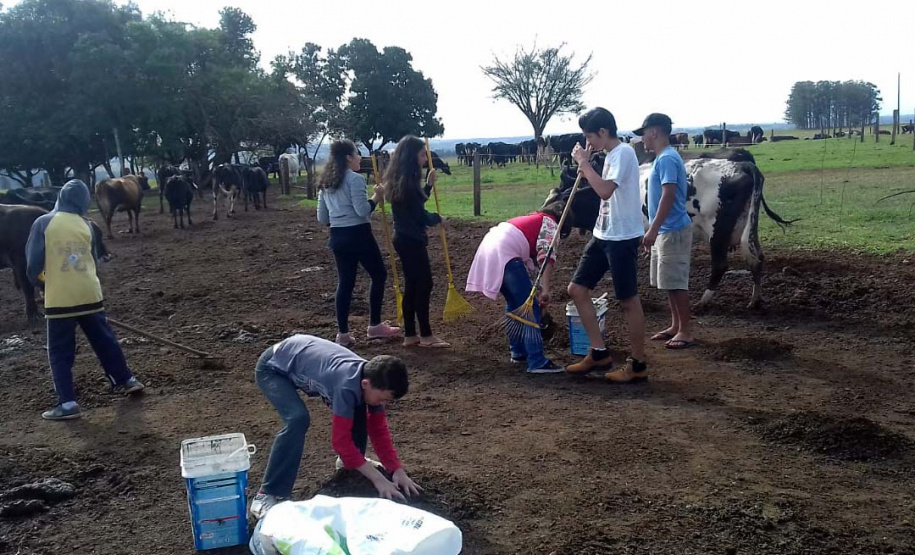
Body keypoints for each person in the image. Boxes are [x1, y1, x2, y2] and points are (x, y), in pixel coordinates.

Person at [249, 335, 421, 519]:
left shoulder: (374, 377)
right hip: (274, 366)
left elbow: (378, 429)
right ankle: (268, 494)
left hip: (300, 357)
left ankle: (351, 463)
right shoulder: (347, 385)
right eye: (382, 399)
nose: (383, 404)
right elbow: (341, 442)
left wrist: (396, 469)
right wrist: (378, 479)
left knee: (359, 405)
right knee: (297, 419)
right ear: (366, 383)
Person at [25, 179, 144, 421]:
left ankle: (67, 404)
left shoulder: (44, 223)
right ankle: (127, 379)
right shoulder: (87, 225)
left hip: (60, 299)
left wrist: (43, 284)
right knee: (105, 340)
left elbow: (32, 266)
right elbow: (93, 259)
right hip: (90, 293)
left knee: (59, 351)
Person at [564, 108, 649, 382]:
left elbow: (604, 190)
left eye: (590, 136)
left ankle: (637, 365)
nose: (588, 142)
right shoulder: (610, 155)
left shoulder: (623, 153)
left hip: (622, 237)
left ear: (602, 132)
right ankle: (599, 352)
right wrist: (587, 162)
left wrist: (585, 163)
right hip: (603, 233)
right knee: (577, 289)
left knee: (627, 299)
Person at [317, 140, 401, 347]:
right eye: (356, 154)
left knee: (345, 284)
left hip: (338, 237)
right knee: (379, 275)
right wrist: (377, 196)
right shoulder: (354, 179)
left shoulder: (326, 182)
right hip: (359, 235)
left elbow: (321, 217)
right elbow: (362, 210)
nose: (359, 158)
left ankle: (343, 334)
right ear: (348, 157)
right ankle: (374, 326)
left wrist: (338, 218)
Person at [465, 202, 565, 374]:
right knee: (529, 306)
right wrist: (546, 289)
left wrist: (539, 288)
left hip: (490, 249)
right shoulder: (550, 223)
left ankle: (518, 352)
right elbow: (546, 256)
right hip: (505, 253)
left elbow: (532, 264)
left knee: (515, 303)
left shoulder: (531, 218)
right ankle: (537, 360)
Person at [633, 113, 696, 349]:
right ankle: (676, 325)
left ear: (654, 132)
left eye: (644, 134)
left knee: (676, 282)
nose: (643, 140)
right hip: (666, 229)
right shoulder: (663, 158)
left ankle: (686, 331)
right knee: (669, 281)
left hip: (672, 229)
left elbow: (668, 195)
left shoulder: (667, 159)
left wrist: (653, 229)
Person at [385, 135, 450, 348]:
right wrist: (438, 219)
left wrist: (428, 186)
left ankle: (411, 334)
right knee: (424, 284)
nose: (425, 158)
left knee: (412, 285)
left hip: (402, 237)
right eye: (422, 154)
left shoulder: (400, 178)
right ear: (412, 156)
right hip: (411, 239)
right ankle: (426, 335)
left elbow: (415, 203)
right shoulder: (408, 181)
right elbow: (420, 215)